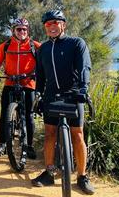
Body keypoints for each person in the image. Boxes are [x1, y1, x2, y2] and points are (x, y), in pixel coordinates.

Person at [31, 10, 95, 195]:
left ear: (63, 25)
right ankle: (49, 172)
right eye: (48, 24)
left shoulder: (76, 43)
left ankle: (82, 176)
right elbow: (40, 75)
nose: (52, 26)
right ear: (45, 27)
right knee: (50, 134)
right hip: (51, 95)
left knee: (78, 135)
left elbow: (84, 67)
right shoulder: (42, 48)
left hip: (74, 94)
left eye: (55, 23)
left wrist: (83, 88)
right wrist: (37, 94)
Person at [0, 18, 41, 158]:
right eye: (19, 29)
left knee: (28, 115)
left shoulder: (35, 46)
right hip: (10, 82)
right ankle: (3, 143)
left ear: (28, 31)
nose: (22, 32)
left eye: (24, 29)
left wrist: (41, 74)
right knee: (4, 114)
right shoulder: (5, 45)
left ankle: (29, 146)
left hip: (28, 83)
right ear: (13, 30)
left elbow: (45, 61)